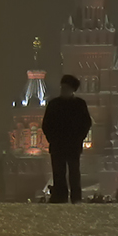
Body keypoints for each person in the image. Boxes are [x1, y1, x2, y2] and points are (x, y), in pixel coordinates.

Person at [42, 75, 93, 204]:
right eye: (62, 87)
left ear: (72, 89)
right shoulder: (54, 104)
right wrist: (52, 139)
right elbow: (46, 124)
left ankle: (76, 197)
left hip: (72, 145)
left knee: (74, 172)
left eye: (66, 88)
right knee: (58, 172)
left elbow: (86, 124)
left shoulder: (79, 104)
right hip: (58, 144)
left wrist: (78, 139)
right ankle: (60, 196)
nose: (63, 90)